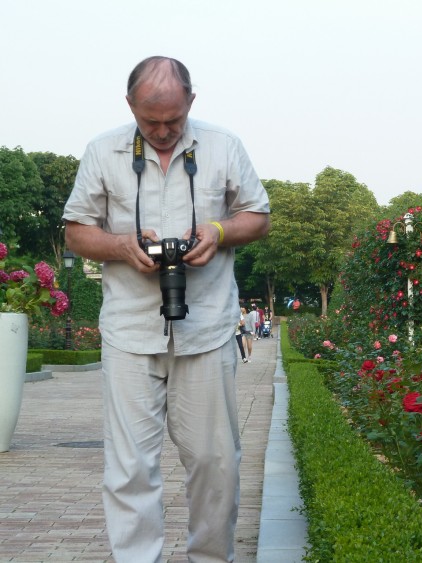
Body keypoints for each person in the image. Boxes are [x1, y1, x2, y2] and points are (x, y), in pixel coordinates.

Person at [62, 56, 270, 562]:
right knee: (129, 468)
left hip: (208, 329)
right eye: (149, 120)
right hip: (129, 331)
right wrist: (121, 247)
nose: (161, 131)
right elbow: (75, 230)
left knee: (216, 462)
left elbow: (258, 216)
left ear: (191, 102)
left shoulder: (224, 146)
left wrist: (218, 233)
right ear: (129, 104)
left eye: (173, 121)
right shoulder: (101, 151)